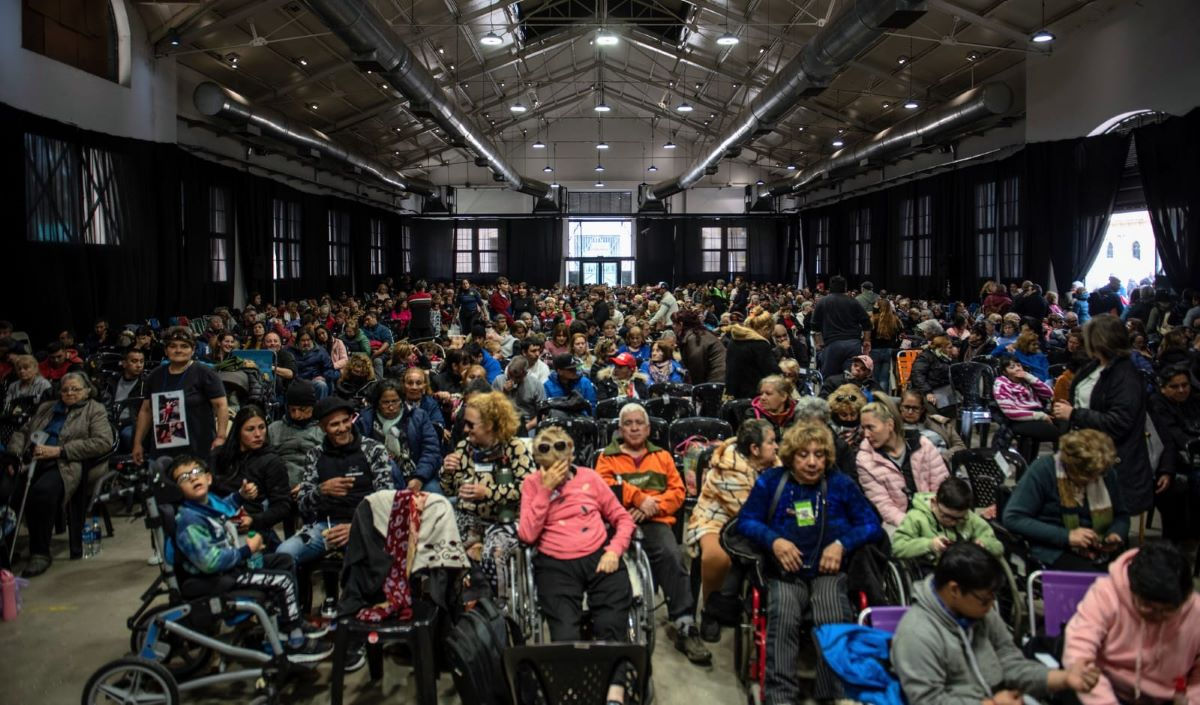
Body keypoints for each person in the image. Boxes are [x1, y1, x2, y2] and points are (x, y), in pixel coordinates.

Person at [736, 421, 883, 704]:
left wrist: (842, 545)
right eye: (804, 454)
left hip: (829, 572)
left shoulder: (841, 484)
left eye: (819, 454)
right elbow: (746, 521)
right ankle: (780, 695)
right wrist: (774, 541)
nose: (813, 462)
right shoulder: (772, 481)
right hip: (786, 572)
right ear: (791, 455)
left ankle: (835, 694)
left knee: (831, 615)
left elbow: (870, 524)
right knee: (784, 617)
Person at [168, 455, 332, 664]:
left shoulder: (206, 504)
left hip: (233, 567)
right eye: (183, 478)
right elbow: (210, 562)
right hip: (219, 577)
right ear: (178, 489)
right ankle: (295, 641)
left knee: (283, 561)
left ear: (208, 478)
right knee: (281, 581)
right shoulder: (190, 521)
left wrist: (240, 496)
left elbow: (224, 508)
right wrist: (247, 550)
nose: (192, 479)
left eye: (196, 473)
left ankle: (288, 623)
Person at [893, 542, 1100, 705]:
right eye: (984, 599)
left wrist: (1064, 678)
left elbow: (1010, 662)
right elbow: (926, 700)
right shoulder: (916, 633)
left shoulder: (980, 612)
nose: (991, 606)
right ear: (954, 590)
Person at [596, 403, 711, 665]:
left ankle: (684, 625)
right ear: (620, 429)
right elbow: (604, 488)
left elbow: (678, 492)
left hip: (655, 521)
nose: (634, 428)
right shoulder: (607, 458)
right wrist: (638, 499)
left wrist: (651, 507)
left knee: (672, 555)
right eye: (628, 423)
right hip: (617, 522)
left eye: (639, 423)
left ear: (648, 429)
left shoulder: (663, 457)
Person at [517, 427, 636, 642]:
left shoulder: (589, 477)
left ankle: (614, 671)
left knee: (611, 627)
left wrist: (614, 551)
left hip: (598, 554)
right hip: (555, 562)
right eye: (549, 467)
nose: (556, 472)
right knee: (565, 636)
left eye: (560, 465)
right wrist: (545, 489)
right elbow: (527, 535)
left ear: (571, 455)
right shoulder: (532, 484)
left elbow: (623, 519)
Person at [1, 372, 112, 576]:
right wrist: (14, 456)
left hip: (64, 463)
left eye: (75, 389)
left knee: (41, 493)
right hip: (29, 461)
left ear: (87, 391)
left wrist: (61, 450)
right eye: (65, 389)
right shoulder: (47, 408)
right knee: (7, 492)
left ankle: (40, 552)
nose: (69, 393)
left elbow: (103, 441)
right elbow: (22, 432)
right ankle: (5, 549)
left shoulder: (94, 410)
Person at [1063, 542, 1200, 705]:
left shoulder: (1195, 612)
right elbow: (1080, 655)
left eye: (1167, 610)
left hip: (1166, 699)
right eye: (1147, 606)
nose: (1157, 615)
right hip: (1107, 689)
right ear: (1132, 589)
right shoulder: (1106, 594)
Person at [685, 419, 778, 642]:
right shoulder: (729, 468)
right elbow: (747, 512)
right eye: (772, 442)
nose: (777, 447)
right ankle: (711, 611)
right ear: (755, 449)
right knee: (718, 556)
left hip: (749, 522)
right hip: (715, 520)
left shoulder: (773, 462)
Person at [1052, 315, 1154, 516]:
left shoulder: (1126, 375)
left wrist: (1075, 414)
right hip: (1085, 450)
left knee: (1106, 525)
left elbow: (1119, 422)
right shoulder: (1096, 365)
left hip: (1113, 460)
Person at [277, 397, 394, 567]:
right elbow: (302, 505)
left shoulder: (373, 450)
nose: (342, 429)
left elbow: (387, 501)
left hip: (367, 526)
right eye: (334, 425)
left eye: (346, 421)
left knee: (373, 559)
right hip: (326, 527)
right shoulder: (315, 455)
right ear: (323, 428)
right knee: (284, 554)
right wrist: (321, 491)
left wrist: (356, 528)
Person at [440, 391, 534, 596]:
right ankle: (455, 608)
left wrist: (488, 492)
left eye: (470, 425)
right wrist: (446, 471)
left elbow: (528, 488)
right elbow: (450, 489)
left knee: (492, 556)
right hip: (469, 517)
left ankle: (495, 610)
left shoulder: (514, 448)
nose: (465, 429)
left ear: (489, 425)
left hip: (504, 519)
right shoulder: (465, 447)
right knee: (442, 553)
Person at [1002, 429, 1130, 571]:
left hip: (1098, 548)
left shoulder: (1105, 474)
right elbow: (1013, 518)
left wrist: (1116, 533)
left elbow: (1121, 515)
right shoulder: (1043, 470)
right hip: (1052, 550)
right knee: (1096, 580)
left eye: (1097, 475)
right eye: (1088, 476)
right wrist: (1067, 536)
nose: (1094, 479)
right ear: (1072, 467)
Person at [132, 327, 228, 465]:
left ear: (193, 350)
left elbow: (221, 405)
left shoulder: (205, 373)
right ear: (166, 350)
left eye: (184, 346)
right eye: (173, 346)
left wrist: (221, 437)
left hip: (197, 450)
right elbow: (146, 410)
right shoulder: (155, 375)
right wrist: (137, 443)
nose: (178, 350)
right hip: (162, 451)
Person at [857, 397, 950, 530]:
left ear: (890, 424)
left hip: (934, 514)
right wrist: (914, 525)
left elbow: (941, 486)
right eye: (863, 428)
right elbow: (883, 506)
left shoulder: (922, 444)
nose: (866, 434)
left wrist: (935, 518)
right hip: (897, 524)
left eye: (870, 427)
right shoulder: (865, 460)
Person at [210, 405, 293, 537]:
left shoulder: (272, 461)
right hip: (213, 518)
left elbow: (282, 506)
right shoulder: (219, 455)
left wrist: (254, 520)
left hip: (248, 524)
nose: (258, 434)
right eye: (250, 429)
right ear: (238, 431)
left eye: (262, 427)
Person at [356, 378, 441, 492]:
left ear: (401, 400)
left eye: (395, 401)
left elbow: (431, 450)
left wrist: (419, 477)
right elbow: (359, 454)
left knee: (434, 493)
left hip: (418, 473)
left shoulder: (418, 416)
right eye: (386, 402)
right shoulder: (366, 420)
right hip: (380, 477)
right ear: (377, 403)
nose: (391, 407)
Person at [1147, 364, 1200, 543]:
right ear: (1163, 388)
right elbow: (1171, 437)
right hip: (1166, 463)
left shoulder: (1194, 401)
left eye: (1185, 385)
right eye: (1175, 386)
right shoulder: (1155, 405)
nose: (1182, 390)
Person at [892, 478, 1003, 561]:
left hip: (966, 567)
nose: (952, 522)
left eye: (959, 519)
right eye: (946, 516)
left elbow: (998, 547)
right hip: (932, 568)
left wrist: (984, 544)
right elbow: (897, 548)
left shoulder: (970, 518)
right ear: (934, 502)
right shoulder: (916, 517)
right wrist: (929, 544)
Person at [994, 357, 1060, 462]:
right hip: (1018, 420)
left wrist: (1030, 377)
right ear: (1004, 372)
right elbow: (1010, 412)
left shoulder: (1026, 380)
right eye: (1012, 367)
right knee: (1060, 432)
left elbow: (1049, 394)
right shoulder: (1002, 384)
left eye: (1019, 365)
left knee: (1067, 424)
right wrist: (1041, 416)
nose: (1017, 368)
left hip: (1038, 413)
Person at [267, 380, 324, 492]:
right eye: (292, 409)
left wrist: (308, 486)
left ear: (313, 406)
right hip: (277, 488)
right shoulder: (274, 429)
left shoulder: (323, 430)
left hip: (314, 488)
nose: (297, 415)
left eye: (302, 409)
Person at [811, 275, 872, 380]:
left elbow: (814, 326)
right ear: (845, 288)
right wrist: (866, 341)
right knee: (853, 378)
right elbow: (867, 323)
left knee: (830, 380)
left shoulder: (823, 302)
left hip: (832, 345)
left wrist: (819, 343)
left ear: (830, 287)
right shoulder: (853, 301)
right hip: (853, 345)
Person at [898, 389, 967, 467]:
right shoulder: (891, 426)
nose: (910, 412)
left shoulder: (939, 424)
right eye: (906, 407)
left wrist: (943, 457)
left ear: (922, 409)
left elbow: (960, 446)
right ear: (900, 407)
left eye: (915, 408)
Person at [725, 308, 780, 400]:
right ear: (766, 329)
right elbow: (773, 373)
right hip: (754, 400)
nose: (770, 336)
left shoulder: (734, 340)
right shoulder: (760, 344)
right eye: (771, 332)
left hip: (732, 396)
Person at [492, 356, 545, 435]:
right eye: (510, 375)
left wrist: (526, 427)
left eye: (517, 377)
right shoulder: (498, 381)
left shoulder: (536, 384)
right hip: (504, 422)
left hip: (528, 423)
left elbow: (543, 414)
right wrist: (504, 393)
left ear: (525, 374)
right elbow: (492, 408)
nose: (513, 379)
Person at [675, 309, 726, 385]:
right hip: (723, 378)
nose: (673, 326)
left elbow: (697, 369)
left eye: (674, 324)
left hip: (717, 382)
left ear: (681, 324)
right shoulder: (700, 334)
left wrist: (695, 389)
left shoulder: (694, 338)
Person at [910, 335, 956, 413]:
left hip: (944, 389)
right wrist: (927, 392)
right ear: (941, 348)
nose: (952, 350)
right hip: (926, 390)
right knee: (937, 410)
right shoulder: (925, 357)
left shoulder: (947, 358)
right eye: (949, 347)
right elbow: (917, 375)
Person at [290, 329, 339, 401]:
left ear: (312, 340)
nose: (306, 343)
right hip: (297, 381)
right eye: (303, 340)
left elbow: (330, 370)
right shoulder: (290, 352)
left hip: (314, 381)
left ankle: (320, 410)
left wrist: (324, 377)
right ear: (298, 341)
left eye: (308, 340)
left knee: (321, 385)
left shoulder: (321, 352)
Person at [870, 298, 902, 390]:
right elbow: (900, 334)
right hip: (889, 350)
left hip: (875, 349)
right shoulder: (895, 319)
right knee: (884, 378)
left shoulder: (873, 319)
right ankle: (883, 400)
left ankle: (875, 399)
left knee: (874, 377)